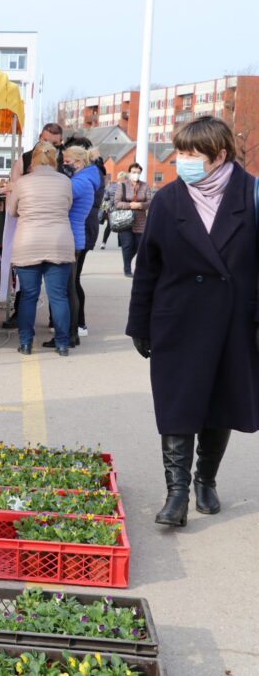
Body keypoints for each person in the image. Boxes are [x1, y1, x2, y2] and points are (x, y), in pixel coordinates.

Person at [126, 116, 259, 527]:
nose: (181, 160)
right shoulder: (168, 200)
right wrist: (140, 324)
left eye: (189, 154)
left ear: (219, 156)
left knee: (220, 403)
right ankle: (177, 494)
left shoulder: (251, 194)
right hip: (178, 320)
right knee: (178, 405)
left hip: (234, 322)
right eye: (179, 151)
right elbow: (147, 267)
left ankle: (206, 480)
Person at [5, 141, 74, 356]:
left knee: (28, 296)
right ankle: (62, 344)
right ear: (55, 159)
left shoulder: (22, 182)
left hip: (29, 242)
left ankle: (26, 343)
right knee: (59, 296)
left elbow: (11, 211)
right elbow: (68, 206)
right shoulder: (65, 181)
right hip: (59, 241)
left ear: (33, 159)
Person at [2, 123, 65, 330]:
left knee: (55, 284)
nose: (51, 146)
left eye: (55, 143)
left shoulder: (63, 161)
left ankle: (53, 320)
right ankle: (20, 314)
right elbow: (13, 188)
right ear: (40, 137)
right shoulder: (25, 159)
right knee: (27, 280)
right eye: (47, 141)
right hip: (27, 222)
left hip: (53, 227)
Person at [44, 146, 100, 348]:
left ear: (78, 162)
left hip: (69, 239)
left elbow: (56, 200)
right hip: (74, 239)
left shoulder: (79, 183)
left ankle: (68, 334)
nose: (63, 165)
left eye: (66, 161)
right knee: (70, 289)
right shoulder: (86, 180)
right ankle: (72, 334)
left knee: (66, 291)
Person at [114, 162, 151, 277]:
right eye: (134, 172)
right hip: (124, 220)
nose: (136, 175)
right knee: (127, 245)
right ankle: (127, 269)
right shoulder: (123, 185)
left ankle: (127, 262)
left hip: (140, 221)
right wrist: (130, 205)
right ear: (129, 173)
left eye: (138, 173)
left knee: (138, 245)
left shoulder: (145, 186)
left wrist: (140, 205)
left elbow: (150, 202)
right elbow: (117, 203)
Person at [99, 171, 128, 249]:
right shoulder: (127, 187)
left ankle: (103, 243)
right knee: (121, 226)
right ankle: (120, 245)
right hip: (122, 209)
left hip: (111, 210)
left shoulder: (112, 186)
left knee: (109, 227)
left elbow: (105, 198)